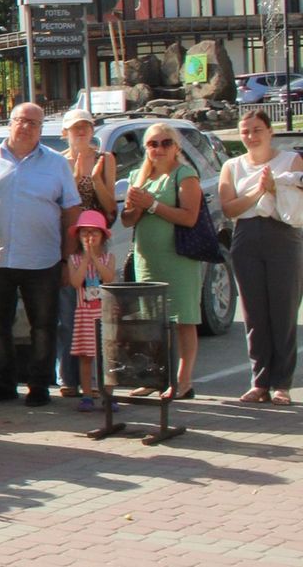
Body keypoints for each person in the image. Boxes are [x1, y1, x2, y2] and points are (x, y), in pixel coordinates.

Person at [0, 102, 80, 408]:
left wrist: (66, 258)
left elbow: (71, 212)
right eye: (21, 120)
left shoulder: (56, 164)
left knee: (44, 327)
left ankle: (39, 385)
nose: (26, 127)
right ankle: (5, 383)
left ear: (41, 129)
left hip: (43, 260)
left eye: (34, 123)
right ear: (10, 123)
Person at [218, 109, 303, 404]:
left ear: (270, 132)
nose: (251, 136)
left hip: (283, 235)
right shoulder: (232, 166)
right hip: (246, 235)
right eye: (245, 131)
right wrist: (258, 191)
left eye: (257, 130)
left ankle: (282, 384)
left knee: (284, 311)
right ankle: (260, 381)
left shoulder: (290, 160)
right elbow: (229, 207)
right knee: (254, 313)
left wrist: (275, 187)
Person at [121, 123, 204, 400]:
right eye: (152, 144)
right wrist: (135, 206)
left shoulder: (184, 174)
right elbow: (127, 220)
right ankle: (154, 378)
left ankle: (183, 381)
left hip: (178, 259)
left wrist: (153, 205)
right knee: (151, 321)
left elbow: (189, 217)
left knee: (183, 319)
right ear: (145, 148)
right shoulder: (138, 176)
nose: (159, 149)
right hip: (147, 259)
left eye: (166, 143)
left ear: (176, 147)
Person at [54, 111, 116, 396]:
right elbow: (60, 205)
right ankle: (68, 378)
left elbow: (110, 206)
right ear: (65, 132)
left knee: (97, 311)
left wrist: (94, 179)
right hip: (70, 242)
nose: (80, 132)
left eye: (85, 127)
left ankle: (99, 378)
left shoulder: (105, 158)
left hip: (98, 240)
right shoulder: (58, 161)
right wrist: (75, 177)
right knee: (68, 311)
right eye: (74, 128)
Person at [64, 212, 116, 411]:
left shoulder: (109, 257)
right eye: (85, 232)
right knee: (85, 356)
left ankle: (108, 395)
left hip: (105, 314)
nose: (89, 237)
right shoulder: (74, 259)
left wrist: (95, 258)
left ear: (103, 236)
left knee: (108, 357)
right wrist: (86, 258)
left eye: (94, 232)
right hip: (84, 314)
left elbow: (108, 278)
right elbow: (76, 282)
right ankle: (87, 395)